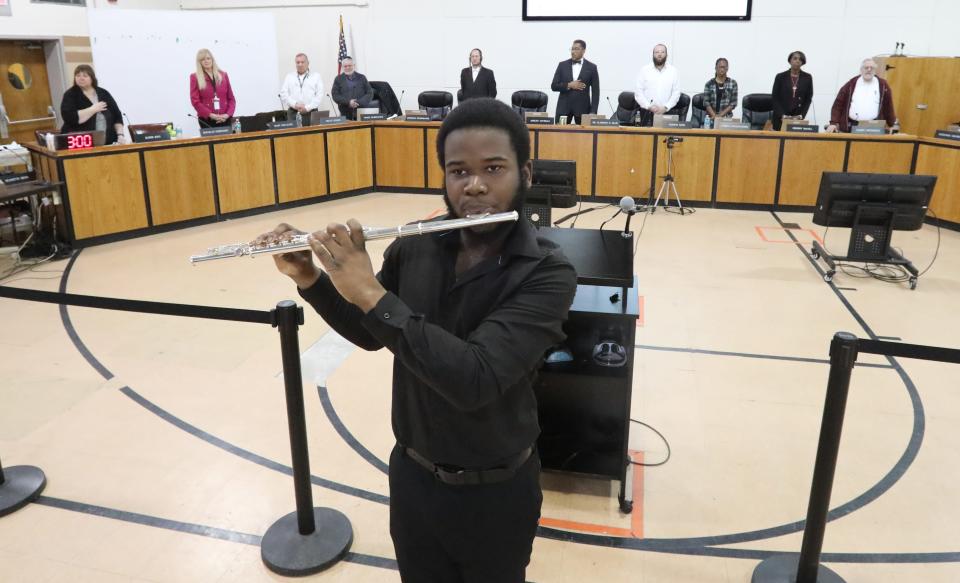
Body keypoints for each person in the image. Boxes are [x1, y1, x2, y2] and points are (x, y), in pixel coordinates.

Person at [258, 97, 577, 582]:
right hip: (413, 480)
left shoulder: (547, 272)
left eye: (494, 168)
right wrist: (313, 280)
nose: (474, 186)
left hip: (498, 492)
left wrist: (368, 288)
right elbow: (372, 332)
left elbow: (475, 378)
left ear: (525, 172)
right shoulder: (416, 245)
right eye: (458, 171)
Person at [59, 64, 126, 145]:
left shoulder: (103, 93)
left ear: (92, 78)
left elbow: (117, 116)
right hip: (81, 143)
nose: (81, 78)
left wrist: (120, 135)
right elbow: (69, 117)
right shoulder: (70, 94)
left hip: (108, 141)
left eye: (85, 75)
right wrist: (93, 109)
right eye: (78, 75)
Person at [827, 58, 896, 133]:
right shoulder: (850, 84)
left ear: (875, 70)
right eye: (866, 67)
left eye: (872, 68)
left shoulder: (883, 85)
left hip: (874, 128)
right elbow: (838, 104)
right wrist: (833, 123)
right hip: (852, 126)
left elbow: (888, 105)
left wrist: (891, 124)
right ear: (861, 70)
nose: (869, 70)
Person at [550, 39, 599, 124]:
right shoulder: (562, 65)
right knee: (560, 135)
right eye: (572, 49)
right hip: (563, 109)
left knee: (584, 136)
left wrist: (593, 111)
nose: (573, 51)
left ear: (583, 50)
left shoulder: (592, 67)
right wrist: (569, 85)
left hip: (583, 110)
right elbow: (554, 86)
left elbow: (596, 91)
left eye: (576, 49)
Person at [634, 44, 680, 126]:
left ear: (666, 55)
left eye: (662, 52)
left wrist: (665, 107)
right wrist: (649, 106)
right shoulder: (644, 70)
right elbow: (638, 92)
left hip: (666, 113)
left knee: (665, 138)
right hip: (646, 113)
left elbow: (676, 93)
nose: (659, 54)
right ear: (653, 54)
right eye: (657, 52)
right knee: (645, 138)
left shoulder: (673, 71)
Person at [189, 48, 236, 128]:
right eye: (202, 59)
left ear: (212, 59)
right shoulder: (195, 77)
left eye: (208, 58)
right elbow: (195, 101)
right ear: (199, 62)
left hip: (225, 119)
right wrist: (210, 115)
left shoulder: (223, 75)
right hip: (206, 120)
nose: (206, 61)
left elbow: (231, 99)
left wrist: (228, 114)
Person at [771, 50, 814, 130]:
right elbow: (775, 98)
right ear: (790, 60)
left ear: (802, 62)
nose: (797, 61)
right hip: (780, 118)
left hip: (797, 118)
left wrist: (801, 115)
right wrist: (782, 115)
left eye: (800, 59)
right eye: (795, 58)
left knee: (794, 141)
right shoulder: (780, 77)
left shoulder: (807, 77)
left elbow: (808, 98)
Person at [279, 53, 324, 119]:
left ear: (308, 63)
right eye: (298, 62)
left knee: (313, 130)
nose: (300, 64)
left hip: (311, 112)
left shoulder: (316, 76)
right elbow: (283, 94)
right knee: (293, 130)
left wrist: (307, 108)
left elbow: (319, 95)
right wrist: (295, 105)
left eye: (302, 62)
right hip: (293, 113)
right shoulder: (289, 77)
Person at [702, 58, 738, 125]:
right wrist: (715, 117)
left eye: (724, 67)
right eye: (720, 67)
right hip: (711, 118)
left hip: (727, 119)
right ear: (716, 68)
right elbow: (706, 103)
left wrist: (719, 117)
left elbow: (733, 103)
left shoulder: (733, 83)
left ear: (727, 69)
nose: (722, 69)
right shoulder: (709, 84)